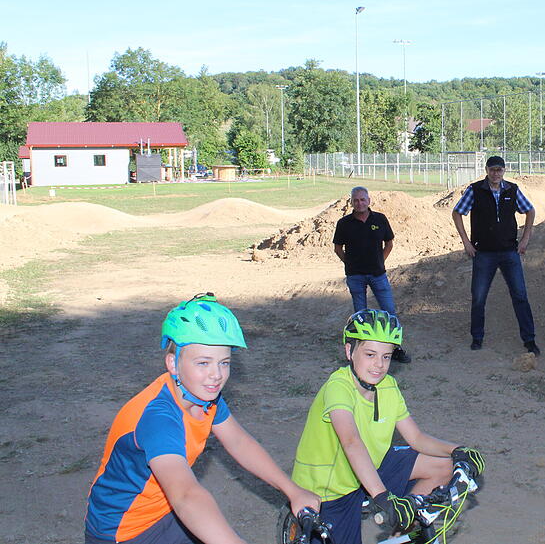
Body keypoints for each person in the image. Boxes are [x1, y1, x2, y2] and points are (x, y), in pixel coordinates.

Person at [85, 293, 320, 544]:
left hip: (163, 513)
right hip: (124, 531)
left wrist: (292, 490)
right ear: (173, 364)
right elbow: (186, 495)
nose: (216, 375)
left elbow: (239, 442)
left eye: (225, 362)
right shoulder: (158, 419)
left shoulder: (205, 398)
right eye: (203, 363)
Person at [290, 310, 486, 544]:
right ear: (349, 351)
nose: (379, 365)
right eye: (370, 354)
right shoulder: (338, 388)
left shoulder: (388, 386)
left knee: (444, 465)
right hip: (330, 487)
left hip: (373, 463)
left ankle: (402, 529)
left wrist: (458, 450)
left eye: (386, 356)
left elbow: (416, 437)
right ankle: (382, 505)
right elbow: (351, 442)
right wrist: (382, 496)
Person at [451, 155, 540, 355]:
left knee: (520, 296)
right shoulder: (475, 190)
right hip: (484, 253)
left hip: (509, 252)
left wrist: (525, 239)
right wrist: (466, 243)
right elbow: (457, 212)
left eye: (499, 170)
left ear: (504, 171)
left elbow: (530, 210)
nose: (496, 174)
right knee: (479, 297)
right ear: (486, 170)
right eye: (492, 170)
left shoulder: (512, 190)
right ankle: (477, 337)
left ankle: (529, 340)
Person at [334, 186, 410, 363]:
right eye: (356, 200)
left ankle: (395, 349)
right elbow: (337, 248)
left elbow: (389, 243)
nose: (359, 203)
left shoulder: (380, 219)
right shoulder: (344, 223)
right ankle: (362, 353)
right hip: (355, 276)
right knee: (361, 316)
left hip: (378, 274)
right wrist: (349, 263)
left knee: (389, 312)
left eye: (362, 199)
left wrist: (379, 261)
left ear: (369, 201)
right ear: (351, 202)